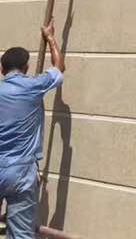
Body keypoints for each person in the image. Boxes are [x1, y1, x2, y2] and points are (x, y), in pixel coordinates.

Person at [0, 21, 66, 239]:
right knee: (21, 234)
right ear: (27, 68)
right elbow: (59, 68)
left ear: (2, 70)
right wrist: (51, 38)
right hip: (21, 172)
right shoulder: (33, 86)